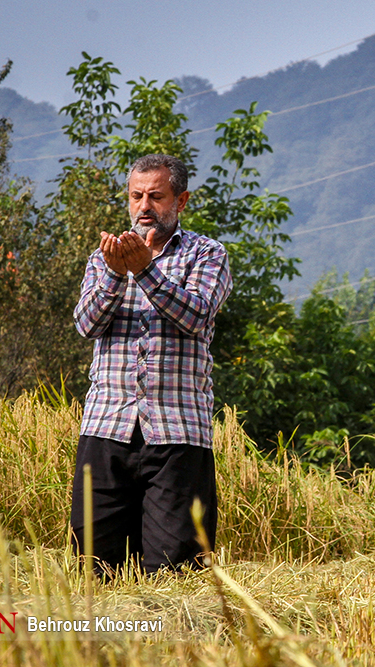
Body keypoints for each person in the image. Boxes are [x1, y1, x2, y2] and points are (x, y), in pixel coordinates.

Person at [69, 154, 232, 575]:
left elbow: (196, 316)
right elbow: (86, 325)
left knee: (175, 570)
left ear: (181, 201)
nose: (144, 207)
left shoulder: (207, 254)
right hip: (107, 426)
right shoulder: (102, 259)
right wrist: (112, 274)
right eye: (136, 196)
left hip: (178, 431)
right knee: (93, 564)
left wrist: (143, 273)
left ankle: (171, 642)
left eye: (156, 197)